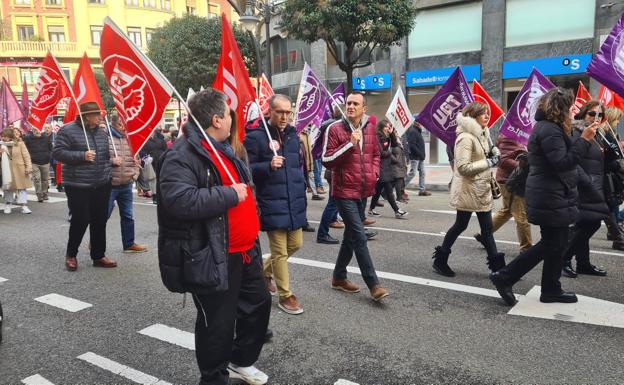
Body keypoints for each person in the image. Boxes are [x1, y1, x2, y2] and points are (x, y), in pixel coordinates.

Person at [158, 88, 270, 385]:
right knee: (217, 325)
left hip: (246, 250)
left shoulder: (225, 148)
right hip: (212, 255)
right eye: (229, 114)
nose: (233, 119)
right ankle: (213, 378)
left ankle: (240, 360)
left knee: (258, 306)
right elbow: (178, 200)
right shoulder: (181, 155)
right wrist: (229, 194)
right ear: (218, 119)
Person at [490, 88, 597, 306]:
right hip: (550, 195)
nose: (572, 111)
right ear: (560, 109)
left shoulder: (553, 128)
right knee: (551, 243)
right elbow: (562, 162)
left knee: (557, 244)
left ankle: (551, 289)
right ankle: (505, 277)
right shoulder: (550, 130)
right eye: (570, 107)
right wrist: (584, 141)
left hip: (555, 194)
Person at [322, 92, 389, 301]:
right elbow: (326, 160)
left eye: (355, 103)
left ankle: (338, 277)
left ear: (364, 108)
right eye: (348, 103)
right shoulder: (334, 128)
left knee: (350, 236)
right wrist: (350, 144)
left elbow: (376, 155)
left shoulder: (369, 128)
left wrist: (375, 173)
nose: (350, 106)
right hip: (343, 192)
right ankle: (374, 284)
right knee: (359, 236)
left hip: (363, 191)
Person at [244, 94, 307, 315]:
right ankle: (286, 296)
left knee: (296, 244)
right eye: (280, 112)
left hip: (293, 201)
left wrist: (304, 188)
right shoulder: (255, 137)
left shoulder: (292, 135)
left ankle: (263, 272)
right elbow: (246, 171)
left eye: (288, 112)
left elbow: (298, 168)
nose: (284, 117)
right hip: (270, 201)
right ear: (269, 111)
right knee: (279, 252)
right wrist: (267, 165)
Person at [432, 102, 504, 277]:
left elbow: (484, 155)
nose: (487, 116)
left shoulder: (481, 135)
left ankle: (498, 269)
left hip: (480, 189)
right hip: (468, 190)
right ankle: (498, 270)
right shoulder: (465, 138)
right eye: (483, 113)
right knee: (462, 226)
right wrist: (489, 162)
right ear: (472, 116)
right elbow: (463, 167)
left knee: (480, 229)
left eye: (488, 113)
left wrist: (492, 151)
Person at [52, 102, 119, 271]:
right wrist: (82, 155)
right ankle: (71, 255)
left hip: (101, 183)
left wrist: (112, 162)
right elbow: (57, 153)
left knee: (99, 220)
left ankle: (98, 255)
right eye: (96, 114)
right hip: (78, 184)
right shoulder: (67, 130)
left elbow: (102, 158)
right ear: (87, 116)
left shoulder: (102, 133)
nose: (100, 117)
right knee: (80, 219)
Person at [560, 101, 611, 278]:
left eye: (600, 115)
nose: (596, 118)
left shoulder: (599, 135)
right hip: (583, 186)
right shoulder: (576, 132)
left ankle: (583, 263)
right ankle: (564, 258)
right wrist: (586, 182)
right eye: (592, 113)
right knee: (590, 223)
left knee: (588, 223)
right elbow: (573, 160)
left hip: (596, 185)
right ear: (583, 114)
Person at [474, 135, 532, 252]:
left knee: (506, 211)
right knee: (521, 216)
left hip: (511, 180)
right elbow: (503, 161)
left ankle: (485, 235)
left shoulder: (518, 137)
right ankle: (527, 249)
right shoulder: (509, 138)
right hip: (511, 182)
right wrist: (524, 165)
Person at [107, 115, 148, 254]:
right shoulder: (106, 138)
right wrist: (111, 161)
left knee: (128, 216)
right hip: (110, 184)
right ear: (112, 124)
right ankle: (95, 242)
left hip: (126, 184)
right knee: (103, 215)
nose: (123, 127)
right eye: (119, 124)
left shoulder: (130, 139)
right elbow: (98, 160)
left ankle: (129, 243)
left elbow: (136, 160)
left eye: (124, 124)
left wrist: (134, 175)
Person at [368, 120, 408, 219]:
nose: (388, 128)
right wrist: (389, 153)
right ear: (381, 127)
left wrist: (392, 134)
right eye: (386, 126)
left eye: (389, 126)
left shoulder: (387, 136)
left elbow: (395, 144)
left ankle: (371, 209)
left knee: (377, 191)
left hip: (387, 166)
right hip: (380, 166)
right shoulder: (378, 137)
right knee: (389, 190)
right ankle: (397, 210)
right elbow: (380, 153)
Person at [601, 106, 624, 250]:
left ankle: (617, 236)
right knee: (608, 208)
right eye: (618, 119)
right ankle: (617, 236)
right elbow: (606, 158)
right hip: (607, 175)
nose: (619, 122)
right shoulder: (605, 133)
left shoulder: (612, 132)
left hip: (612, 176)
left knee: (612, 205)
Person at [1, 128, 33, 214]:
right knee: (8, 188)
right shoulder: (1, 145)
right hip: (7, 169)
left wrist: (28, 168)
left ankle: (24, 206)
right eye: (2, 136)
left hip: (20, 169)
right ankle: (8, 204)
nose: (3, 138)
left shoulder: (20, 144)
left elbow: (26, 156)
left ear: (10, 136)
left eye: (5, 136)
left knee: (22, 188)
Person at [23, 123, 53, 202]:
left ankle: (45, 194)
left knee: (45, 179)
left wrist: (48, 156)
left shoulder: (46, 137)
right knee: (37, 179)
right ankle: (39, 195)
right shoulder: (28, 138)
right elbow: (25, 150)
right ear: (32, 130)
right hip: (34, 162)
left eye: (38, 129)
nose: (37, 131)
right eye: (35, 129)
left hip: (45, 161)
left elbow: (51, 148)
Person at [139, 128, 167, 204]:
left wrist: (165, 157)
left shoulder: (160, 138)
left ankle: (161, 195)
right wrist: (145, 157)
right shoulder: (143, 138)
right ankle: (155, 196)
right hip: (150, 162)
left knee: (161, 178)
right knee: (153, 179)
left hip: (160, 160)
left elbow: (165, 149)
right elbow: (140, 150)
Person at [405, 121, 432, 196]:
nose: (421, 124)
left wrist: (422, 155)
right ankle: (400, 188)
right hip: (415, 157)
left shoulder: (418, 131)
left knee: (422, 173)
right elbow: (412, 145)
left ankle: (422, 190)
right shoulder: (413, 131)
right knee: (412, 173)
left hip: (420, 157)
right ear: (416, 123)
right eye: (419, 122)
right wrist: (420, 154)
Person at [300, 125, 324, 201]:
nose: (308, 127)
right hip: (303, 162)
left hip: (309, 160)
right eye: (307, 125)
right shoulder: (299, 135)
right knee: (303, 179)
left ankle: (315, 194)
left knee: (311, 177)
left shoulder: (307, 134)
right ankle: (303, 195)